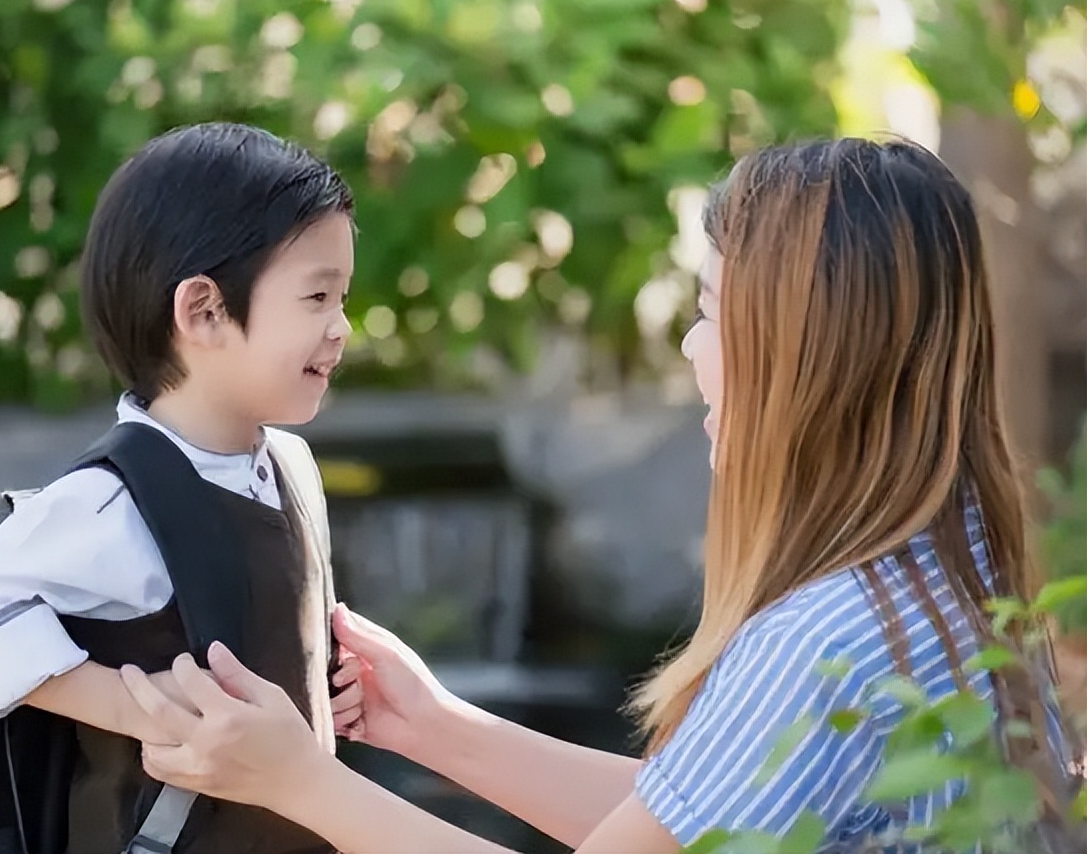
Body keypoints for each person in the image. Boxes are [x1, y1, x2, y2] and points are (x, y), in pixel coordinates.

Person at [119, 138, 1082, 853]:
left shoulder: (822, 639)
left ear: (803, 357)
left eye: (708, 313)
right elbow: (700, 822)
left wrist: (298, 782)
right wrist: (439, 730)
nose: (691, 350)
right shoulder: (952, 579)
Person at [0, 122, 354, 853]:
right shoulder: (115, 504)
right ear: (205, 311)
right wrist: (142, 709)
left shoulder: (290, 466)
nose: (342, 327)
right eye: (317, 297)